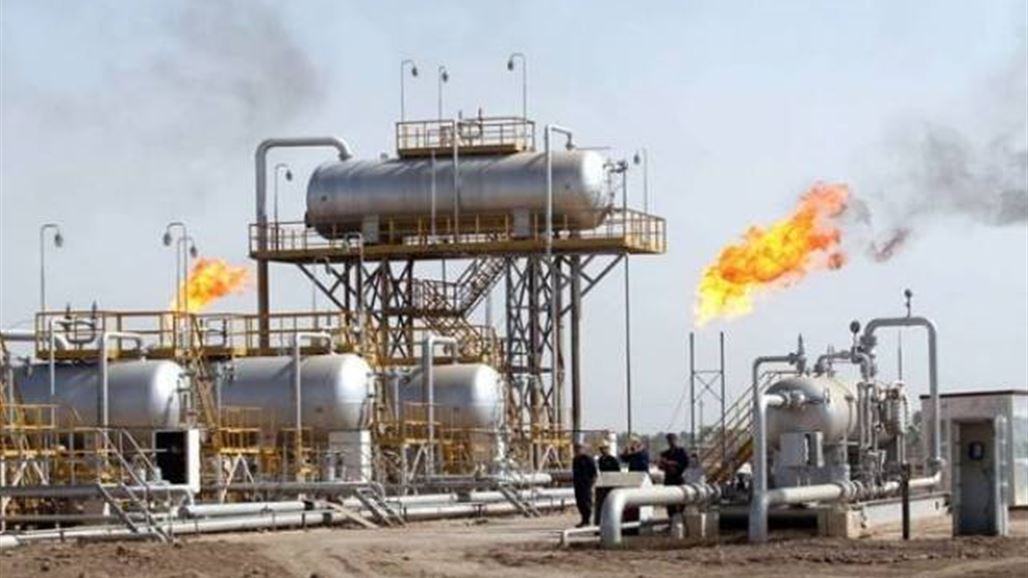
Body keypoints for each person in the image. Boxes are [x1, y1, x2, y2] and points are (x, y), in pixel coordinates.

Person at [657, 433, 690, 518]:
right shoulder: (665, 453)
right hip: (669, 480)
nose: (671, 442)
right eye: (669, 440)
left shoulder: (681, 452)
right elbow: (660, 466)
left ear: (676, 440)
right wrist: (665, 465)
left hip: (678, 479)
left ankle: (679, 517)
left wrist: (673, 464)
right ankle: (671, 519)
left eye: (672, 439)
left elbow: (686, 463)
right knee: (670, 504)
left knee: (681, 501)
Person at [571, 442, 598, 527]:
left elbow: (594, 472)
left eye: (578, 449)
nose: (576, 451)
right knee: (579, 502)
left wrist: (591, 483)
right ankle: (583, 519)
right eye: (575, 450)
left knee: (586, 501)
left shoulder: (587, 459)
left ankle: (587, 519)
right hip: (578, 484)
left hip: (586, 484)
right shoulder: (575, 460)